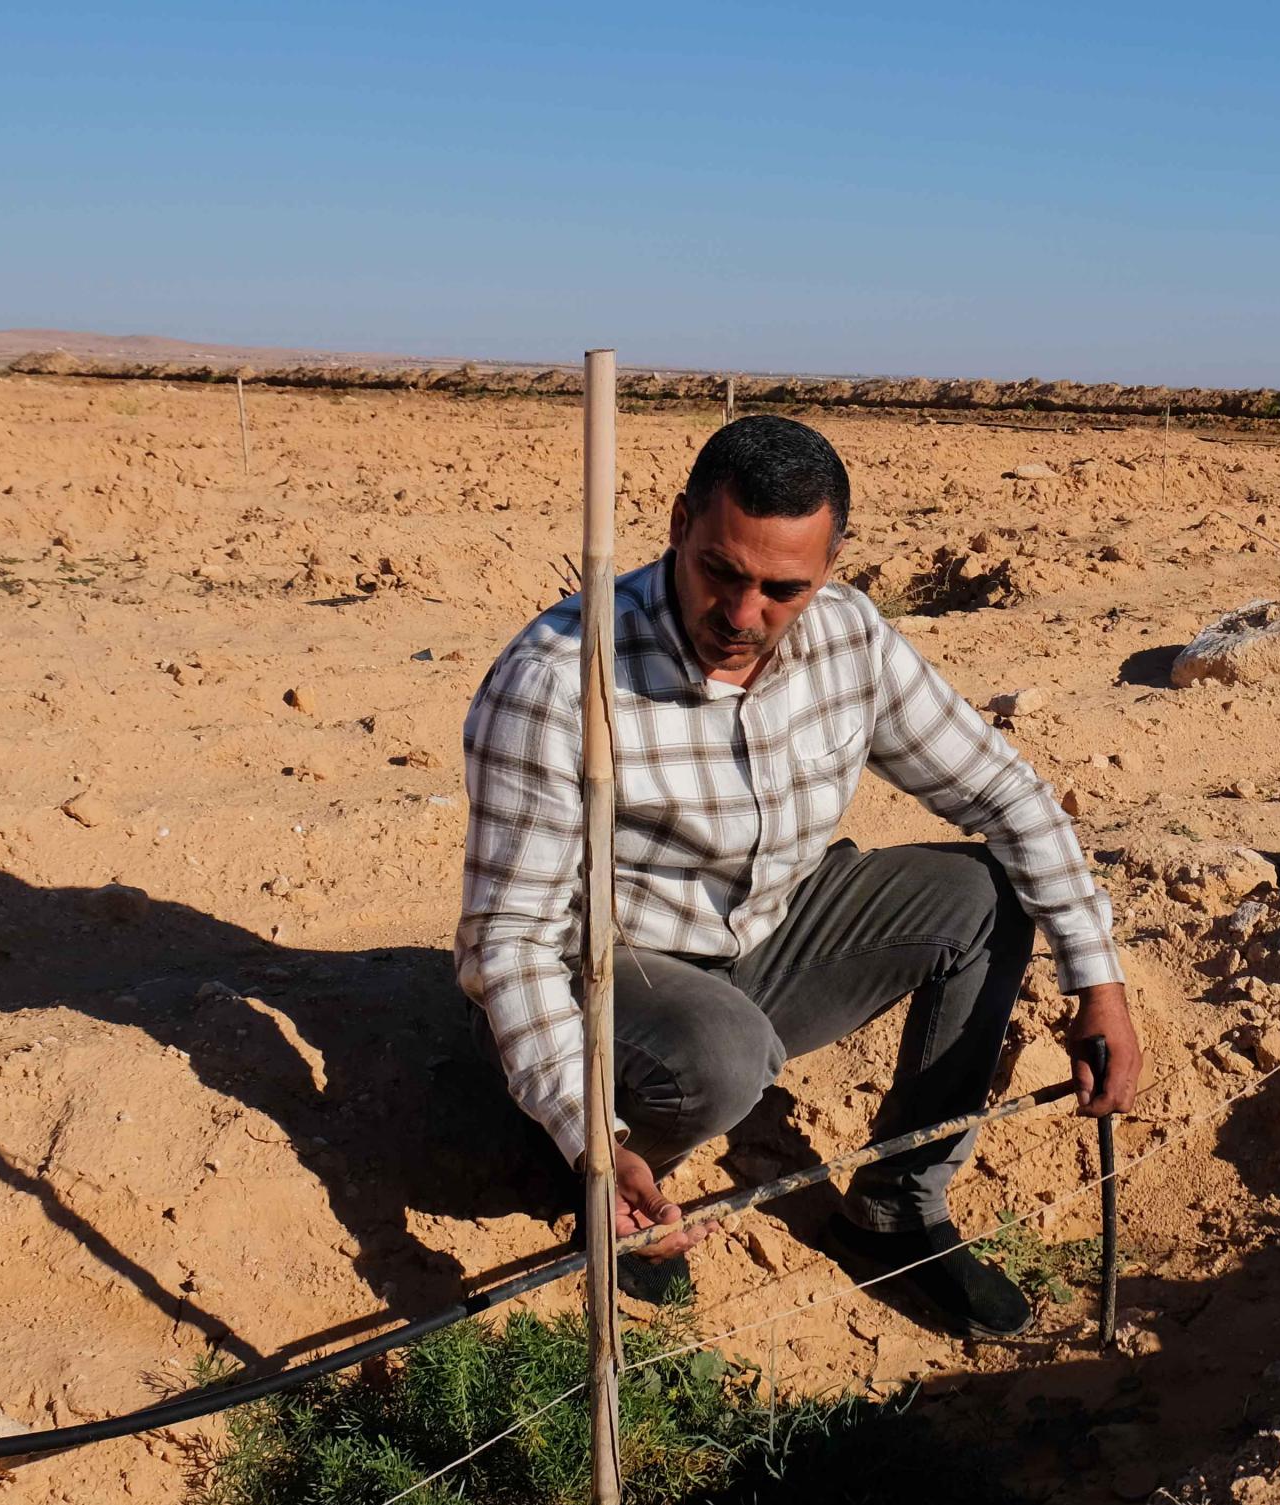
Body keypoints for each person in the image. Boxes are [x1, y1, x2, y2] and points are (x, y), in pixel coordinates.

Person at [457, 414, 1140, 1337]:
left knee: (986, 897)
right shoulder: (557, 682)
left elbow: (1006, 793)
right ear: (678, 524)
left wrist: (1097, 978)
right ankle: (604, 1174)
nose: (744, 617)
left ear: (832, 564)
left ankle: (897, 1209)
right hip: (616, 973)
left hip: (768, 931)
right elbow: (510, 941)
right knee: (722, 1053)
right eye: (721, 574)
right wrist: (590, 1141)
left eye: (784, 589)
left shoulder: (848, 638)